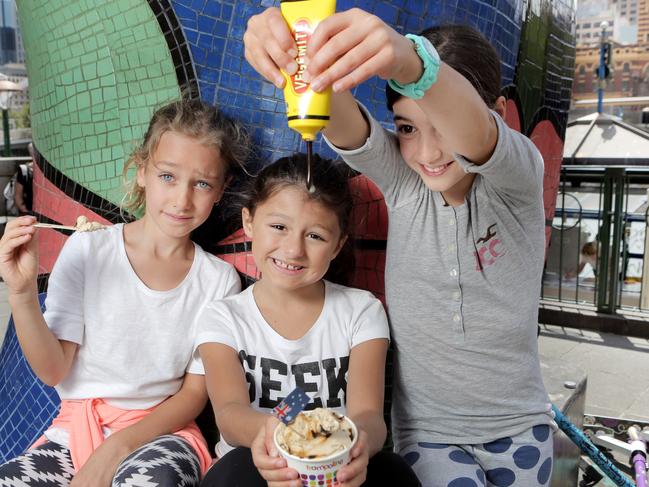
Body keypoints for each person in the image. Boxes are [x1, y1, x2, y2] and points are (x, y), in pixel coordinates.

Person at [244, 8, 554, 486]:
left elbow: (476, 135)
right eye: (407, 128)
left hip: (521, 430)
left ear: (497, 112)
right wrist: (294, 53)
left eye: (442, 128)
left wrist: (412, 65)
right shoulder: (407, 186)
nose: (427, 154)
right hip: (431, 436)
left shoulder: (517, 178)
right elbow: (342, 118)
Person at [0, 98, 249, 487]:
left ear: (221, 190)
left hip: (161, 436)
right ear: (141, 171)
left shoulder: (217, 280)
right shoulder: (88, 250)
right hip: (75, 432)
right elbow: (53, 370)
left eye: (201, 183)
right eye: (168, 176)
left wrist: (116, 450)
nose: (182, 200)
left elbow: (193, 395)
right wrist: (21, 294)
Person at [196, 154, 421, 487]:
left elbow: (369, 415)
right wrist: (271, 434)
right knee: (233, 470)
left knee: (392, 471)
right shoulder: (222, 317)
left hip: (336, 465)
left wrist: (357, 447)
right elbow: (229, 414)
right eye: (278, 227)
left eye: (315, 236)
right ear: (248, 221)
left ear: (337, 245)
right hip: (259, 463)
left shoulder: (361, 311)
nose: (293, 250)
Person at [15, 143, 35, 215]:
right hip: (29, 212)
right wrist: (26, 211)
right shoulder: (24, 170)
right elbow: (18, 195)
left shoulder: (47, 170)